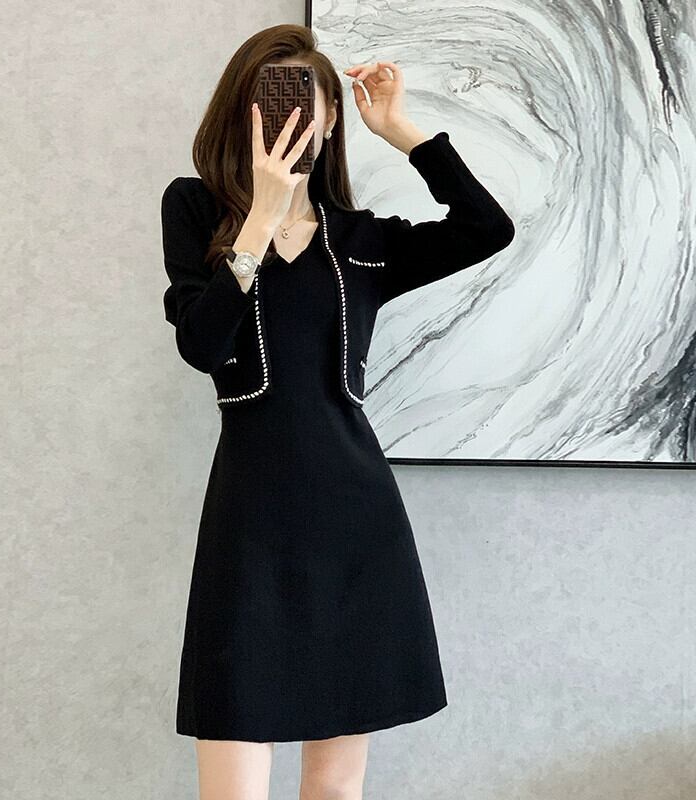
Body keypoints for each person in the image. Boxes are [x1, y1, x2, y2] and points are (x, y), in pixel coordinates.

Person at [161, 24, 515, 800]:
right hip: (249, 528)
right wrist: (260, 217)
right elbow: (201, 343)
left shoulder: (361, 241)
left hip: (355, 522)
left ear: (329, 118)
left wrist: (402, 131)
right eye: (270, 100)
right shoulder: (195, 210)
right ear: (241, 113)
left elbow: (488, 228)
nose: (291, 117)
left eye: (308, 102)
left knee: (335, 788)